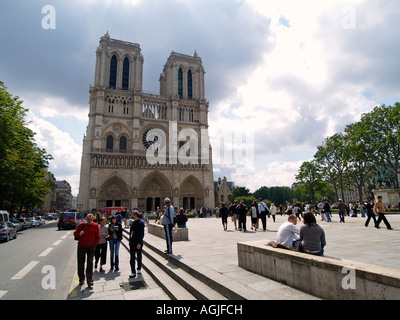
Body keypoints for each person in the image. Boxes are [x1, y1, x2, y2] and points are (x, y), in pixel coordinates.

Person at [73, 214, 100, 286]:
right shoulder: (81, 225)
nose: (90, 221)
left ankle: (89, 279)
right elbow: (75, 233)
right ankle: (81, 279)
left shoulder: (95, 225)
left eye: (91, 220)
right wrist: (79, 234)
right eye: (88, 219)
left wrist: (95, 245)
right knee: (81, 263)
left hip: (91, 247)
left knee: (90, 263)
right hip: (81, 246)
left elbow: (98, 236)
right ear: (86, 219)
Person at [129, 210, 145, 278]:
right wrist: (130, 240)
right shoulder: (133, 223)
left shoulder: (141, 223)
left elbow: (142, 234)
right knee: (132, 257)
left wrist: (139, 243)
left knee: (139, 256)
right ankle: (133, 271)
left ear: (135, 215)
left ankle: (139, 268)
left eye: (132, 214)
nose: (132, 215)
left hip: (138, 242)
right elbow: (131, 232)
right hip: (132, 242)